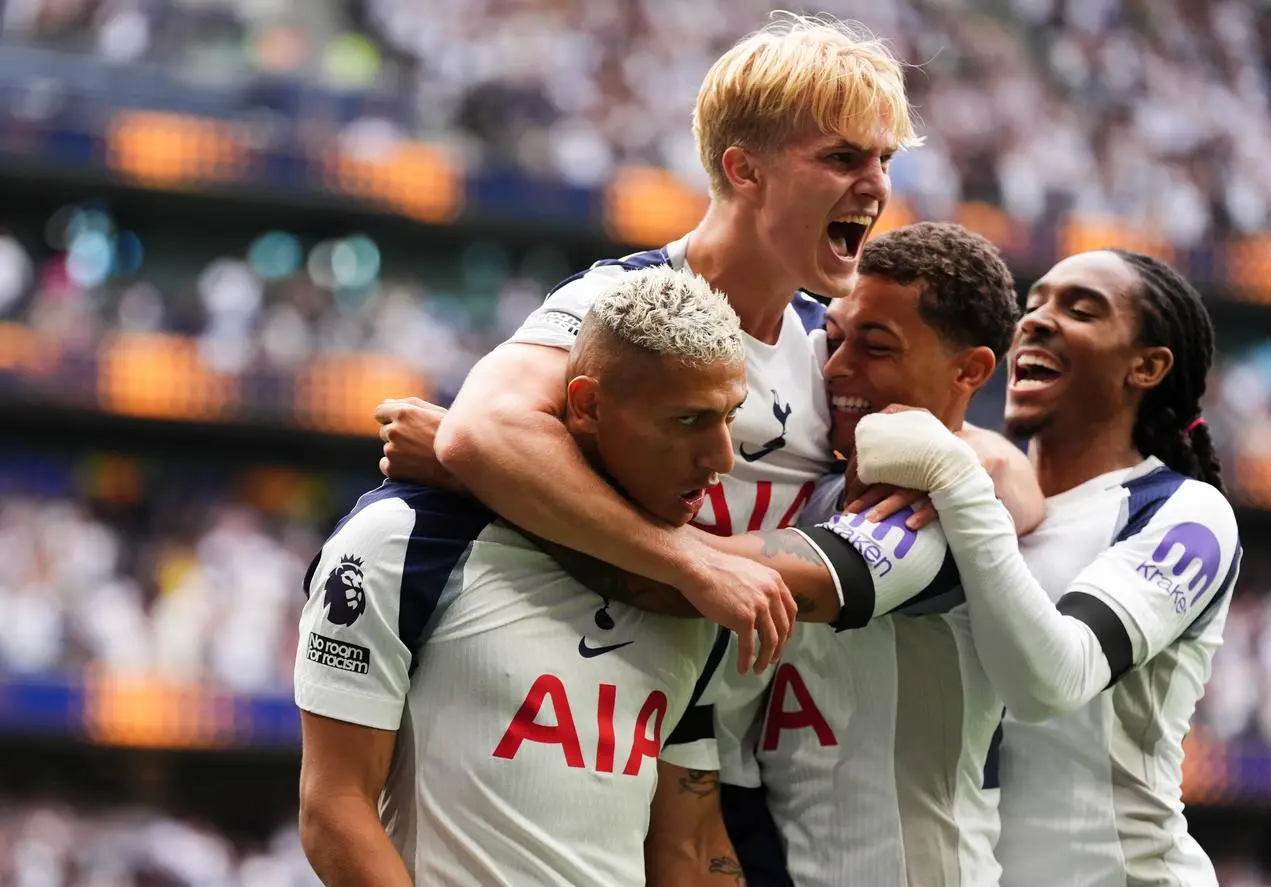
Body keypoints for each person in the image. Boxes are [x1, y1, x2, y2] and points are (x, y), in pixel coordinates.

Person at [376, 12, 922, 676]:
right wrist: (690, 562)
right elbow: (483, 430)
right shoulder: (619, 301)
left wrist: (476, 480)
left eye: (884, 160)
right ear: (745, 171)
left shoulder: (829, 347)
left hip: (720, 728)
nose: (878, 184)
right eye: (842, 158)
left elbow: (975, 455)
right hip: (570, 694)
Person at [531, 222, 1034, 886]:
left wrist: (506, 475)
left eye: (876, 348)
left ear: (969, 371)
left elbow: (681, 581)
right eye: (834, 339)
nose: (836, 369)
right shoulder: (824, 482)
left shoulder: (935, 516)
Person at [294, 267, 753, 887]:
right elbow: (334, 810)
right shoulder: (403, 540)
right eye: (687, 421)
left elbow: (690, 846)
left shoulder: (692, 592)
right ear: (588, 405)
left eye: (729, 416)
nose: (722, 456)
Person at [853, 248, 1241, 886]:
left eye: (1081, 310)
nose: (1034, 321)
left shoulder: (1186, 513)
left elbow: (1052, 683)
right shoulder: (979, 484)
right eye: (1032, 306)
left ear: (1146, 366)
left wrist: (959, 486)